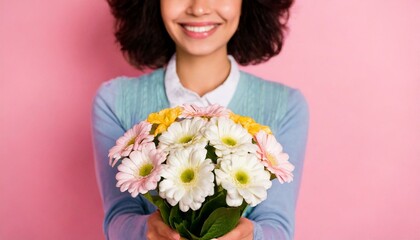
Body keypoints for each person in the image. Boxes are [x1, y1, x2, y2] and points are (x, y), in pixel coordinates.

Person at [91, 0, 309, 239]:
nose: (199, 8)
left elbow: (278, 226)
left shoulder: (285, 106)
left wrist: (252, 235)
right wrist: (147, 230)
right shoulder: (115, 101)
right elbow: (118, 218)